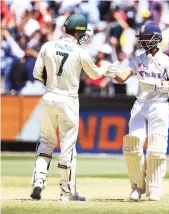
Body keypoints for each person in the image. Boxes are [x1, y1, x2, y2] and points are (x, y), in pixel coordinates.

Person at [30, 14, 114, 201]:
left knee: (45, 141)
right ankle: (67, 192)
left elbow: (37, 73)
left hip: (49, 96)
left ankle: (38, 181)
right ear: (77, 32)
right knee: (68, 146)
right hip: (68, 100)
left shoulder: (47, 46)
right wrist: (105, 67)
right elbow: (94, 75)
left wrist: (53, 82)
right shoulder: (80, 51)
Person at [104, 23, 169, 201]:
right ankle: (138, 187)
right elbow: (123, 77)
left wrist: (158, 85)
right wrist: (112, 73)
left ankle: (154, 188)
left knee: (156, 147)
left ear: (156, 39)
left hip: (159, 104)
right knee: (132, 145)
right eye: (141, 39)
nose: (143, 42)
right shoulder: (138, 59)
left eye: (146, 38)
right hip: (140, 104)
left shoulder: (166, 60)